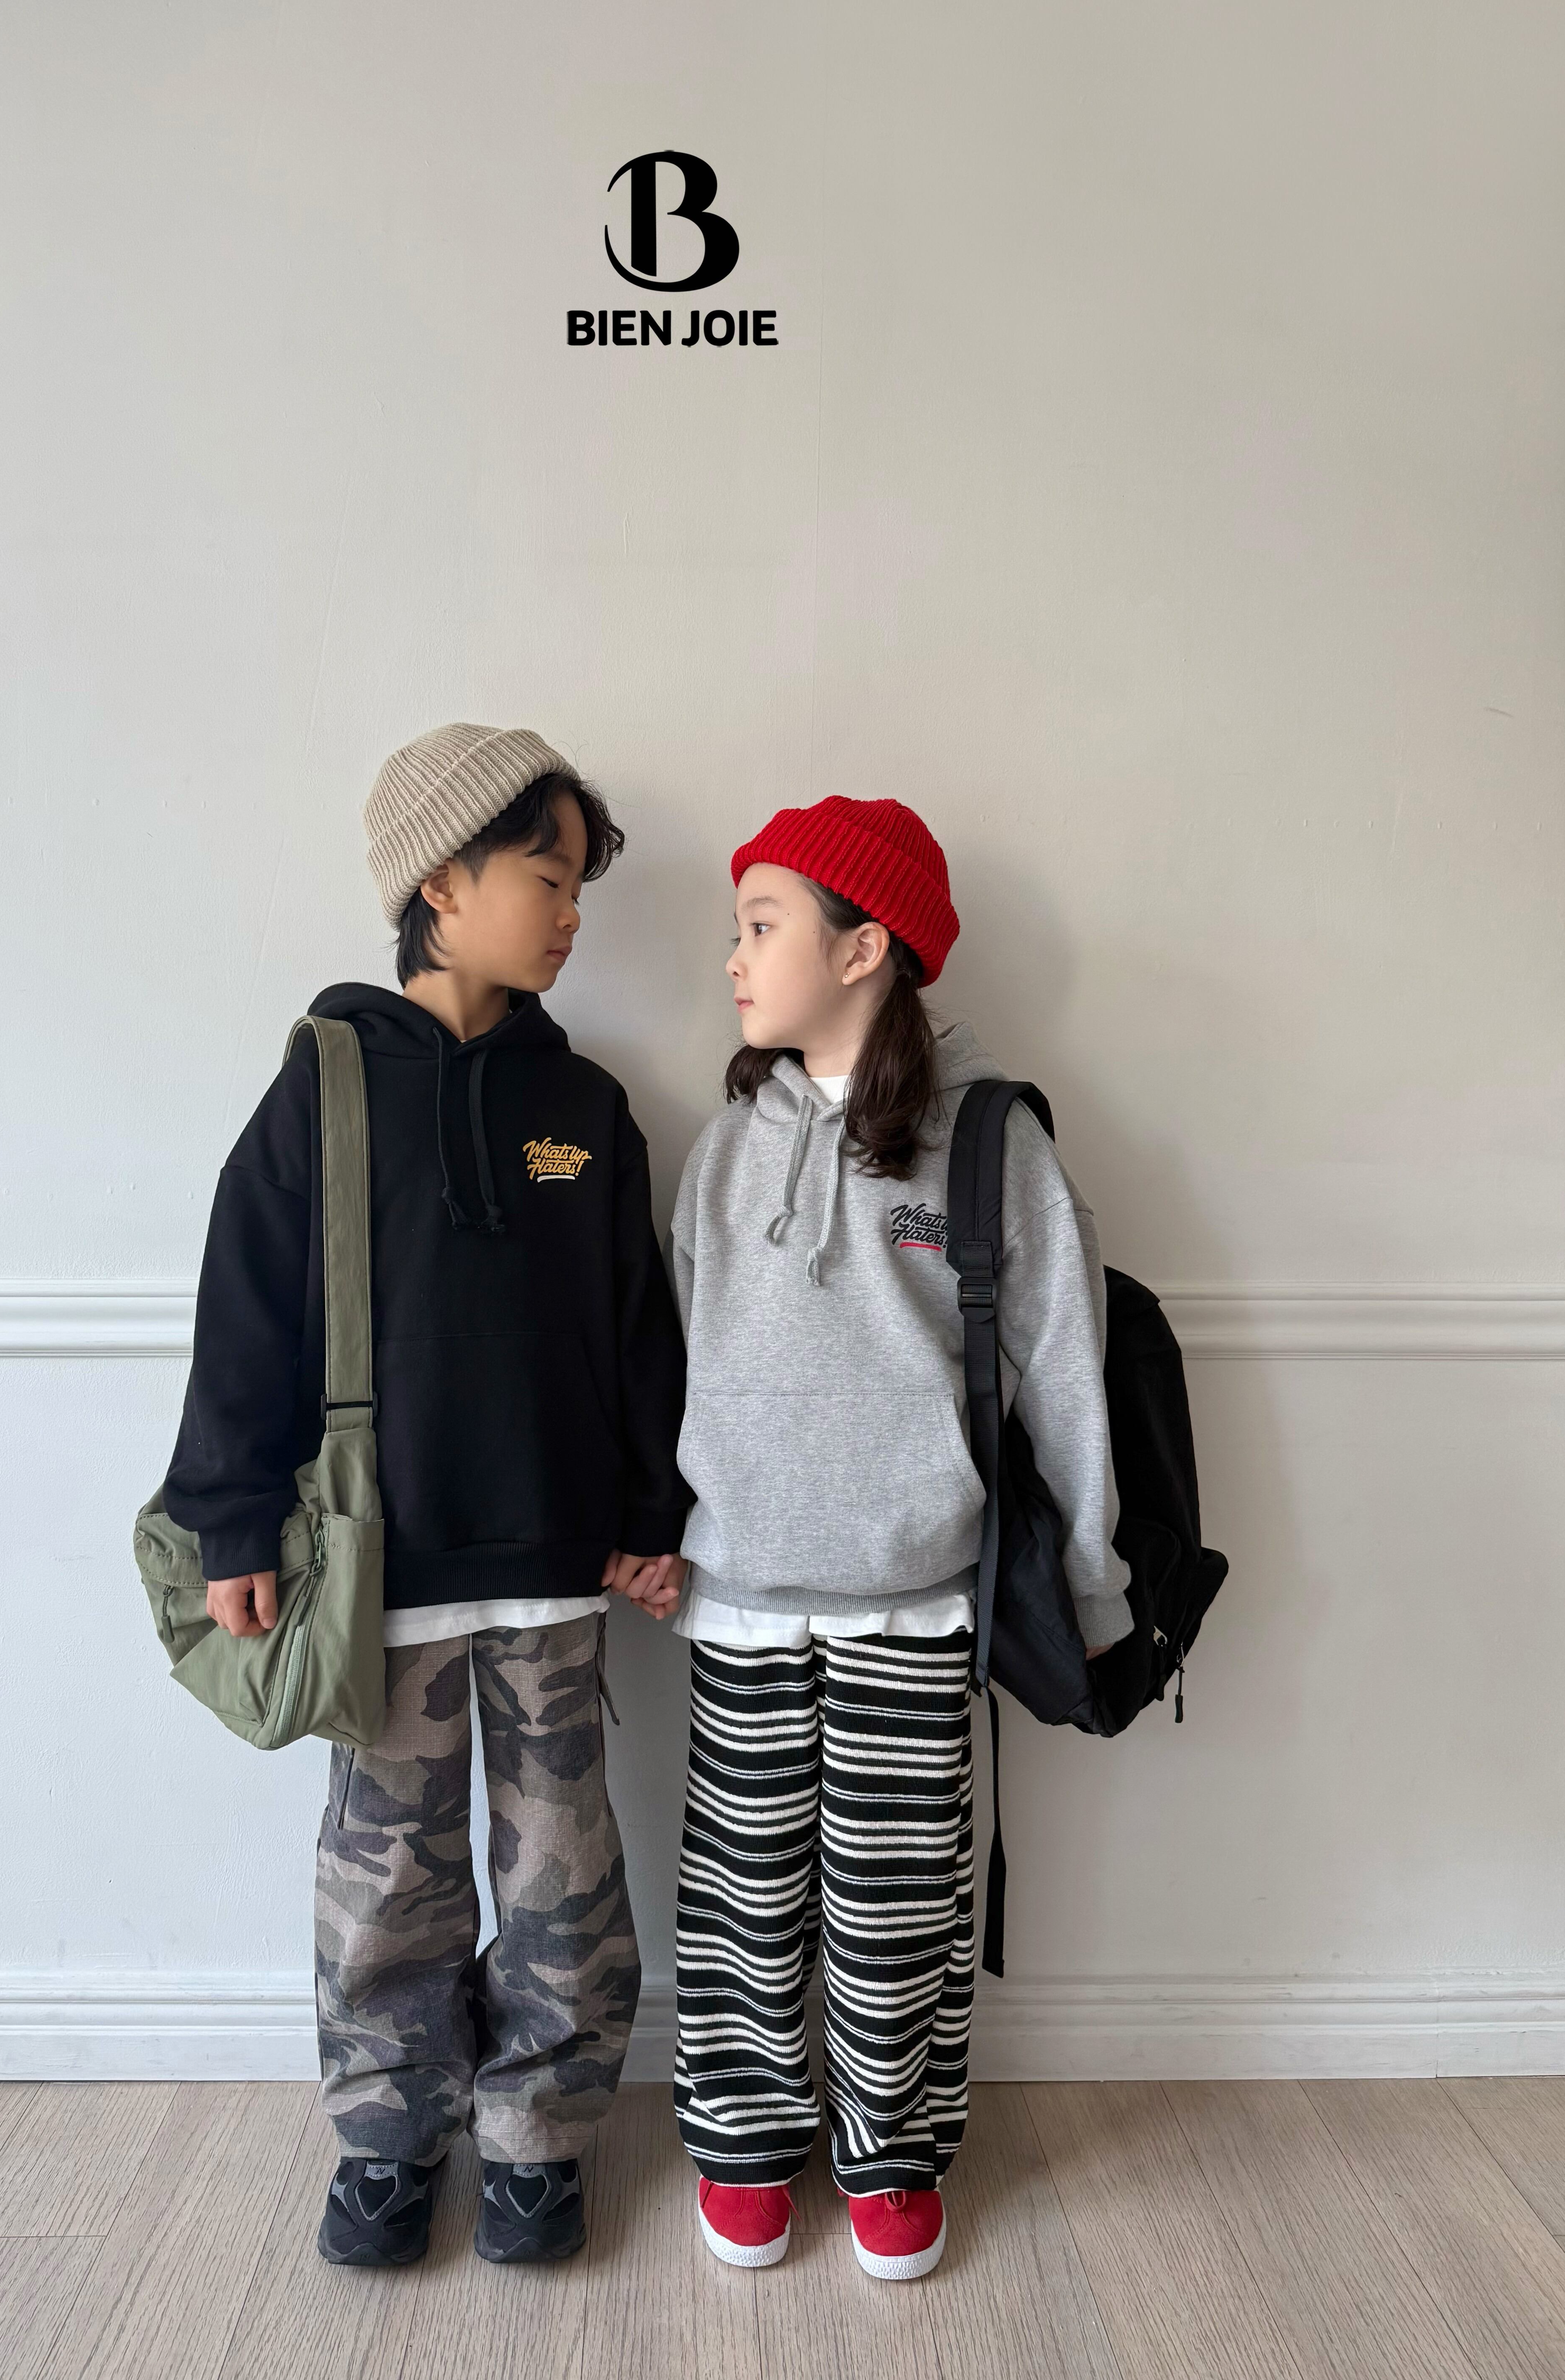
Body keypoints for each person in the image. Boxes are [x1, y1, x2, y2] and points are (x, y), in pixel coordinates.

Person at [162, 724, 690, 2269]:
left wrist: (652, 1512)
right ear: (439, 883)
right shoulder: (323, 1087)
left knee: (561, 1870)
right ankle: (391, 2135)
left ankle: (538, 2138)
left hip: (553, 1564)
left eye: (580, 885)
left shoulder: (584, 1105)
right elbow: (247, 1311)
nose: (572, 912)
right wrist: (231, 1517)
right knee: (387, 1872)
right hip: (377, 1568)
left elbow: (638, 1328)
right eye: (546, 877)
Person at [655, 795, 1130, 2281]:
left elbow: (1066, 1371)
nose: (733, 957)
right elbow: (673, 1358)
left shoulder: (988, 1144)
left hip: (915, 1599)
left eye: (761, 924)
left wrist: (1093, 1582)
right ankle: (743, 2136)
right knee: (742, 1897)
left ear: (863, 946)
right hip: (740, 1592)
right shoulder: (723, 1149)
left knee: (894, 1902)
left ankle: (891, 2145)